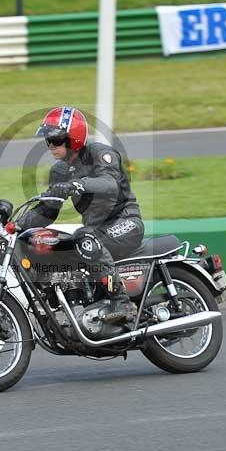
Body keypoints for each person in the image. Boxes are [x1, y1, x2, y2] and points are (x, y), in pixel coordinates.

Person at [18, 106, 144, 325]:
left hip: (125, 222)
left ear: (73, 138)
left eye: (56, 140)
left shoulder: (100, 154)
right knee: (52, 245)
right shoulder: (59, 171)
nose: (50, 146)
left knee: (83, 238)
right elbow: (48, 211)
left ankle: (121, 301)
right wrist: (14, 226)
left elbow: (110, 184)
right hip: (97, 232)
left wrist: (78, 184)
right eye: (48, 141)